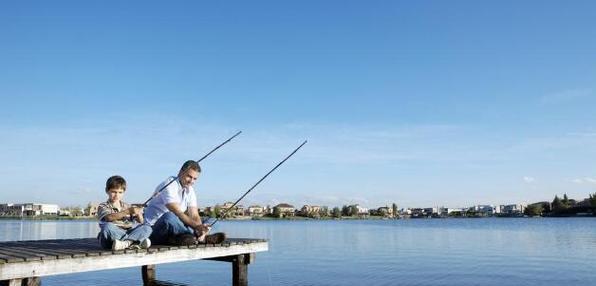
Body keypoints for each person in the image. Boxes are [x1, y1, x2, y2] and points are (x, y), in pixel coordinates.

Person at [144, 160, 226, 246]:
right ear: (180, 172)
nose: (191, 181)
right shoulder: (169, 185)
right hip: (156, 229)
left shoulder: (190, 190)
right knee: (169, 216)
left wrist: (201, 229)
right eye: (189, 176)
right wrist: (197, 227)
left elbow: (194, 215)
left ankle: (196, 237)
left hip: (177, 226)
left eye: (195, 179)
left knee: (213, 221)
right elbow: (177, 212)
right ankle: (196, 237)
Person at [97, 175, 152, 250]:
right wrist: (127, 211)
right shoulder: (103, 206)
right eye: (114, 192)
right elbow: (109, 217)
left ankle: (126, 243)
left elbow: (141, 221)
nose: (117, 195)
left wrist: (139, 212)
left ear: (124, 192)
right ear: (107, 190)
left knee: (147, 227)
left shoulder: (127, 206)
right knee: (107, 226)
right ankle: (134, 242)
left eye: (120, 192)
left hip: (127, 233)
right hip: (111, 239)